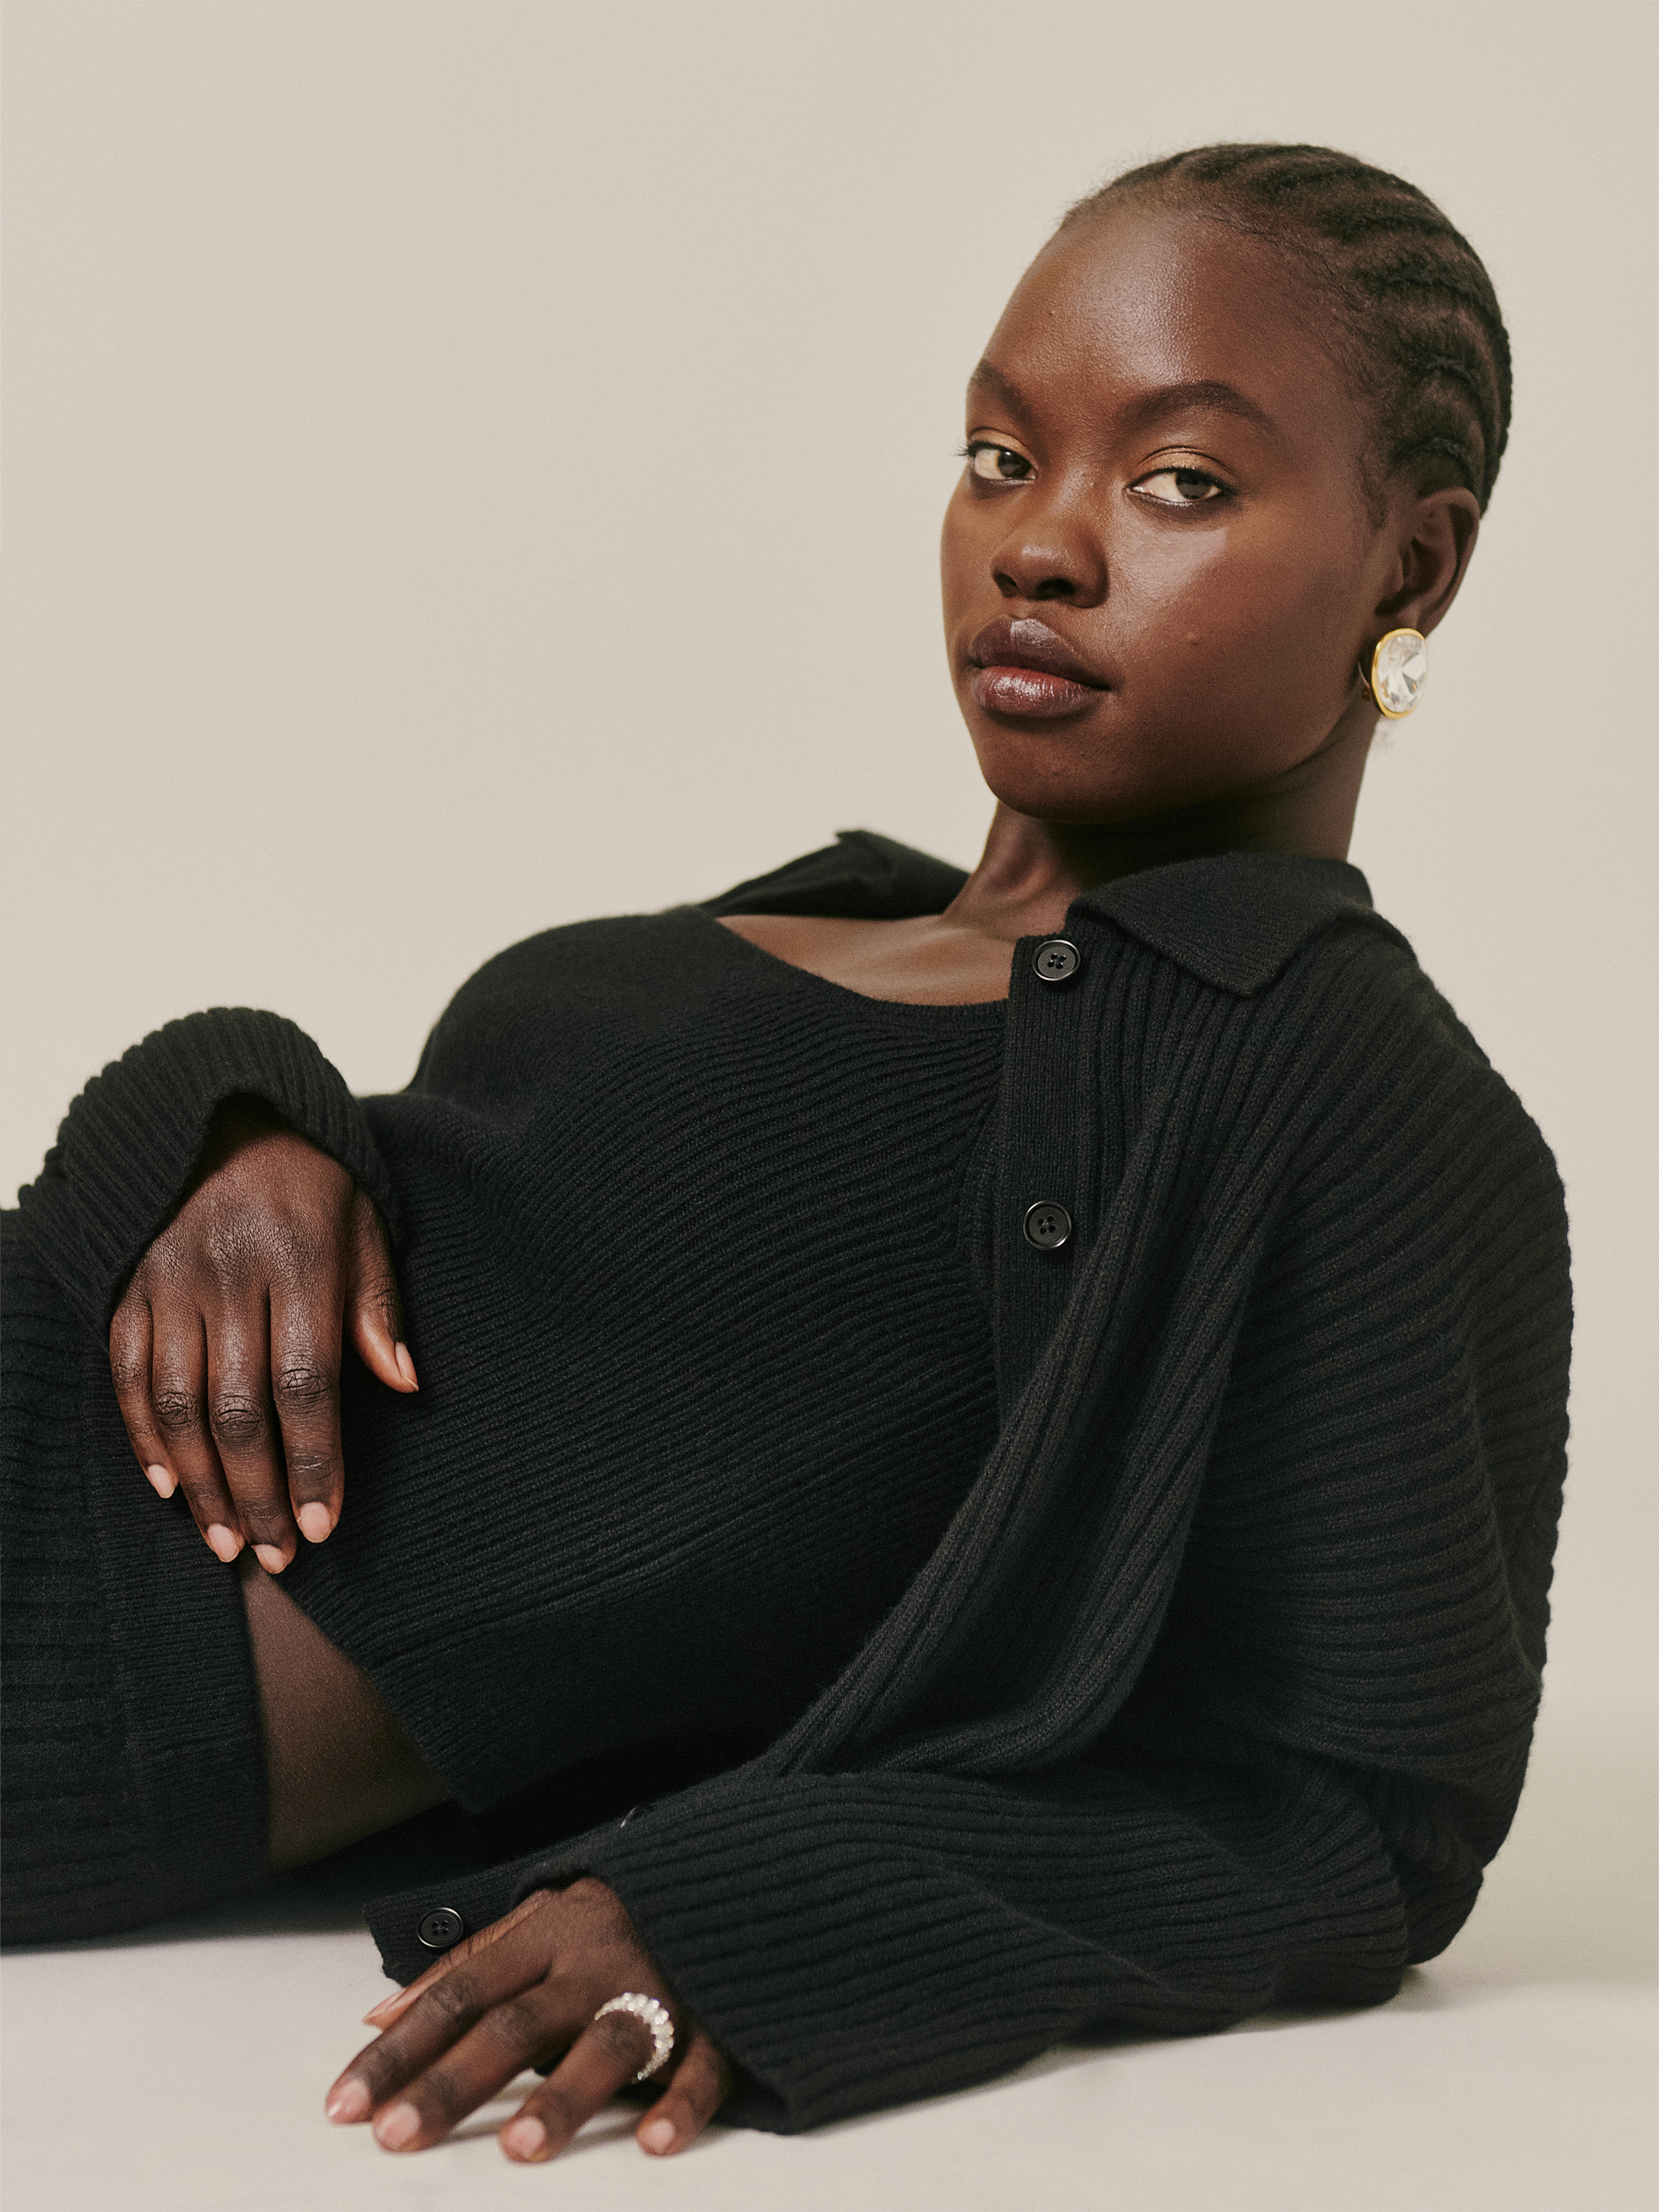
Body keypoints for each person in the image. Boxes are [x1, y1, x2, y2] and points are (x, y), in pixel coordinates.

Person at [3, 142, 1570, 2168]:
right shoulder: (861, 898)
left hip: (73, 1644)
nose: (1040, 545)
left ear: (1414, 568)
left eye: (1180, 480)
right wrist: (232, 1123)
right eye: (999, 456)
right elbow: (472, 1189)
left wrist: (753, 1919)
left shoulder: (1323, 1072)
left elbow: (1363, 1813)